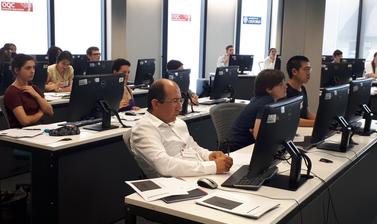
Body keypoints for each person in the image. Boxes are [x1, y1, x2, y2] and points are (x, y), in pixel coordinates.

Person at [130, 79, 233, 177]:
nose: (179, 107)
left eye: (180, 100)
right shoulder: (143, 129)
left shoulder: (178, 123)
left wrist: (209, 155)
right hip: (175, 184)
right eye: (174, 101)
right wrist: (213, 166)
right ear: (156, 103)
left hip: (197, 174)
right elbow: (164, 165)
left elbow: (194, 148)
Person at [227, 69, 287, 151]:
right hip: (237, 148)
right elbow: (257, 134)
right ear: (269, 89)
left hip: (238, 145)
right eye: (281, 84)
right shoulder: (266, 102)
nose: (285, 86)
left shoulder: (260, 99)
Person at [4, 54, 53, 128]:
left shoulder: (33, 88)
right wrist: (40, 113)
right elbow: (25, 121)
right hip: (22, 132)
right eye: (28, 68)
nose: (32, 71)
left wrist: (36, 95)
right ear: (17, 70)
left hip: (39, 129)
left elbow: (50, 111)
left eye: (33, 68)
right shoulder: (12, 92)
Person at [286, 55, 316, 127]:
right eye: (306, 69)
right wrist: (316, 123)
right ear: (294, 71)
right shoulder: (285, 91)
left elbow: (307, 113)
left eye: (309, 69)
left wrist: (322, 120)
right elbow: (291, 120)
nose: (308, 73)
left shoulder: (302, 88)